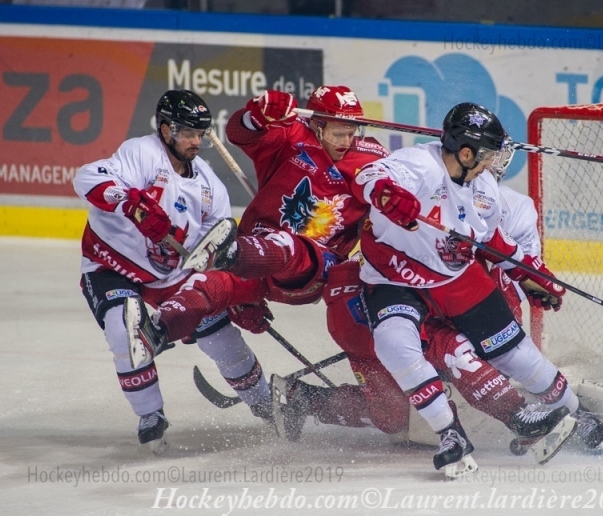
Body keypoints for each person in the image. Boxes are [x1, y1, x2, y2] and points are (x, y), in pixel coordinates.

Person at [349, 102, 584, 477]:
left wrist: (532, 272)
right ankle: (450, 433)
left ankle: (578, 414)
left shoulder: (484, 187)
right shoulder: (421, 165)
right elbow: (369, 175)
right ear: (465, 152)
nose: (492, 162)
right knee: (394, 343)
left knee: (516, 354)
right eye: (488, 154)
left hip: (455, 278)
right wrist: (388, 196)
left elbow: (494, 241)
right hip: (395, 277)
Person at [74, 90, 272, 453]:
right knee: (124, 327)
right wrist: (132, 204)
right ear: (166, 130)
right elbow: (86, 178)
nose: (196, 142)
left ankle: (267, 406)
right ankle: (150, 415)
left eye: (200, 134)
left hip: (171, 277)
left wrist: (239, 296)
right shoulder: (142, 153)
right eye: (188, 134)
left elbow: (215, 250)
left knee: (223, 340)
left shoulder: (209, 186)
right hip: (112, 265)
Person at [127, 86, 391, 355]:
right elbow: (238, 133)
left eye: (351, 132)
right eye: (338, 133)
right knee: (208, 286)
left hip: (315, 266)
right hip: (254, 256)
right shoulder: (290, 134)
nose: (346, 141)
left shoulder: (372, 157)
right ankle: (157, 333)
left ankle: (228, 253)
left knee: (286, 245)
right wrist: (258, 117)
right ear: (316, 125)